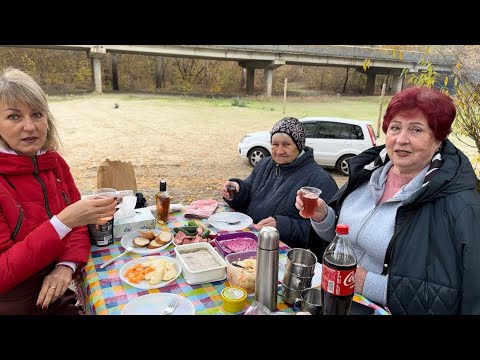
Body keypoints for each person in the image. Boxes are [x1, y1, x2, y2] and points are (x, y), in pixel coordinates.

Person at [296, 86, 480, 315]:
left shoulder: (459, 206)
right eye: (395, 127)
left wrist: (365, 282)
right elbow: (342, 240)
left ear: (438, 139)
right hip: (331, 297)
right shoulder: (367, 173)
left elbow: (453, 296)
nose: (401, 139)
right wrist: (323, 216)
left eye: (416, 130)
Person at [0, 67, 117, 315]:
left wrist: (66, 264)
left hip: (55, 293)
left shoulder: (53, 163)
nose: (30, 127)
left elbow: (78, 222)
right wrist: (62, 222)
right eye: (14, 117)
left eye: (37, 114)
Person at [222, 117, 338, 249]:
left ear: (299, 146)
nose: (279, 151)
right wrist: (236, 191)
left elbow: (321, 235)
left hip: (281, 252)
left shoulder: (320, 180)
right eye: (275, 144)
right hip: (249, 239)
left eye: (286, 144)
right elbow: (247, 191)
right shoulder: (264, 164)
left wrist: (280, 225)